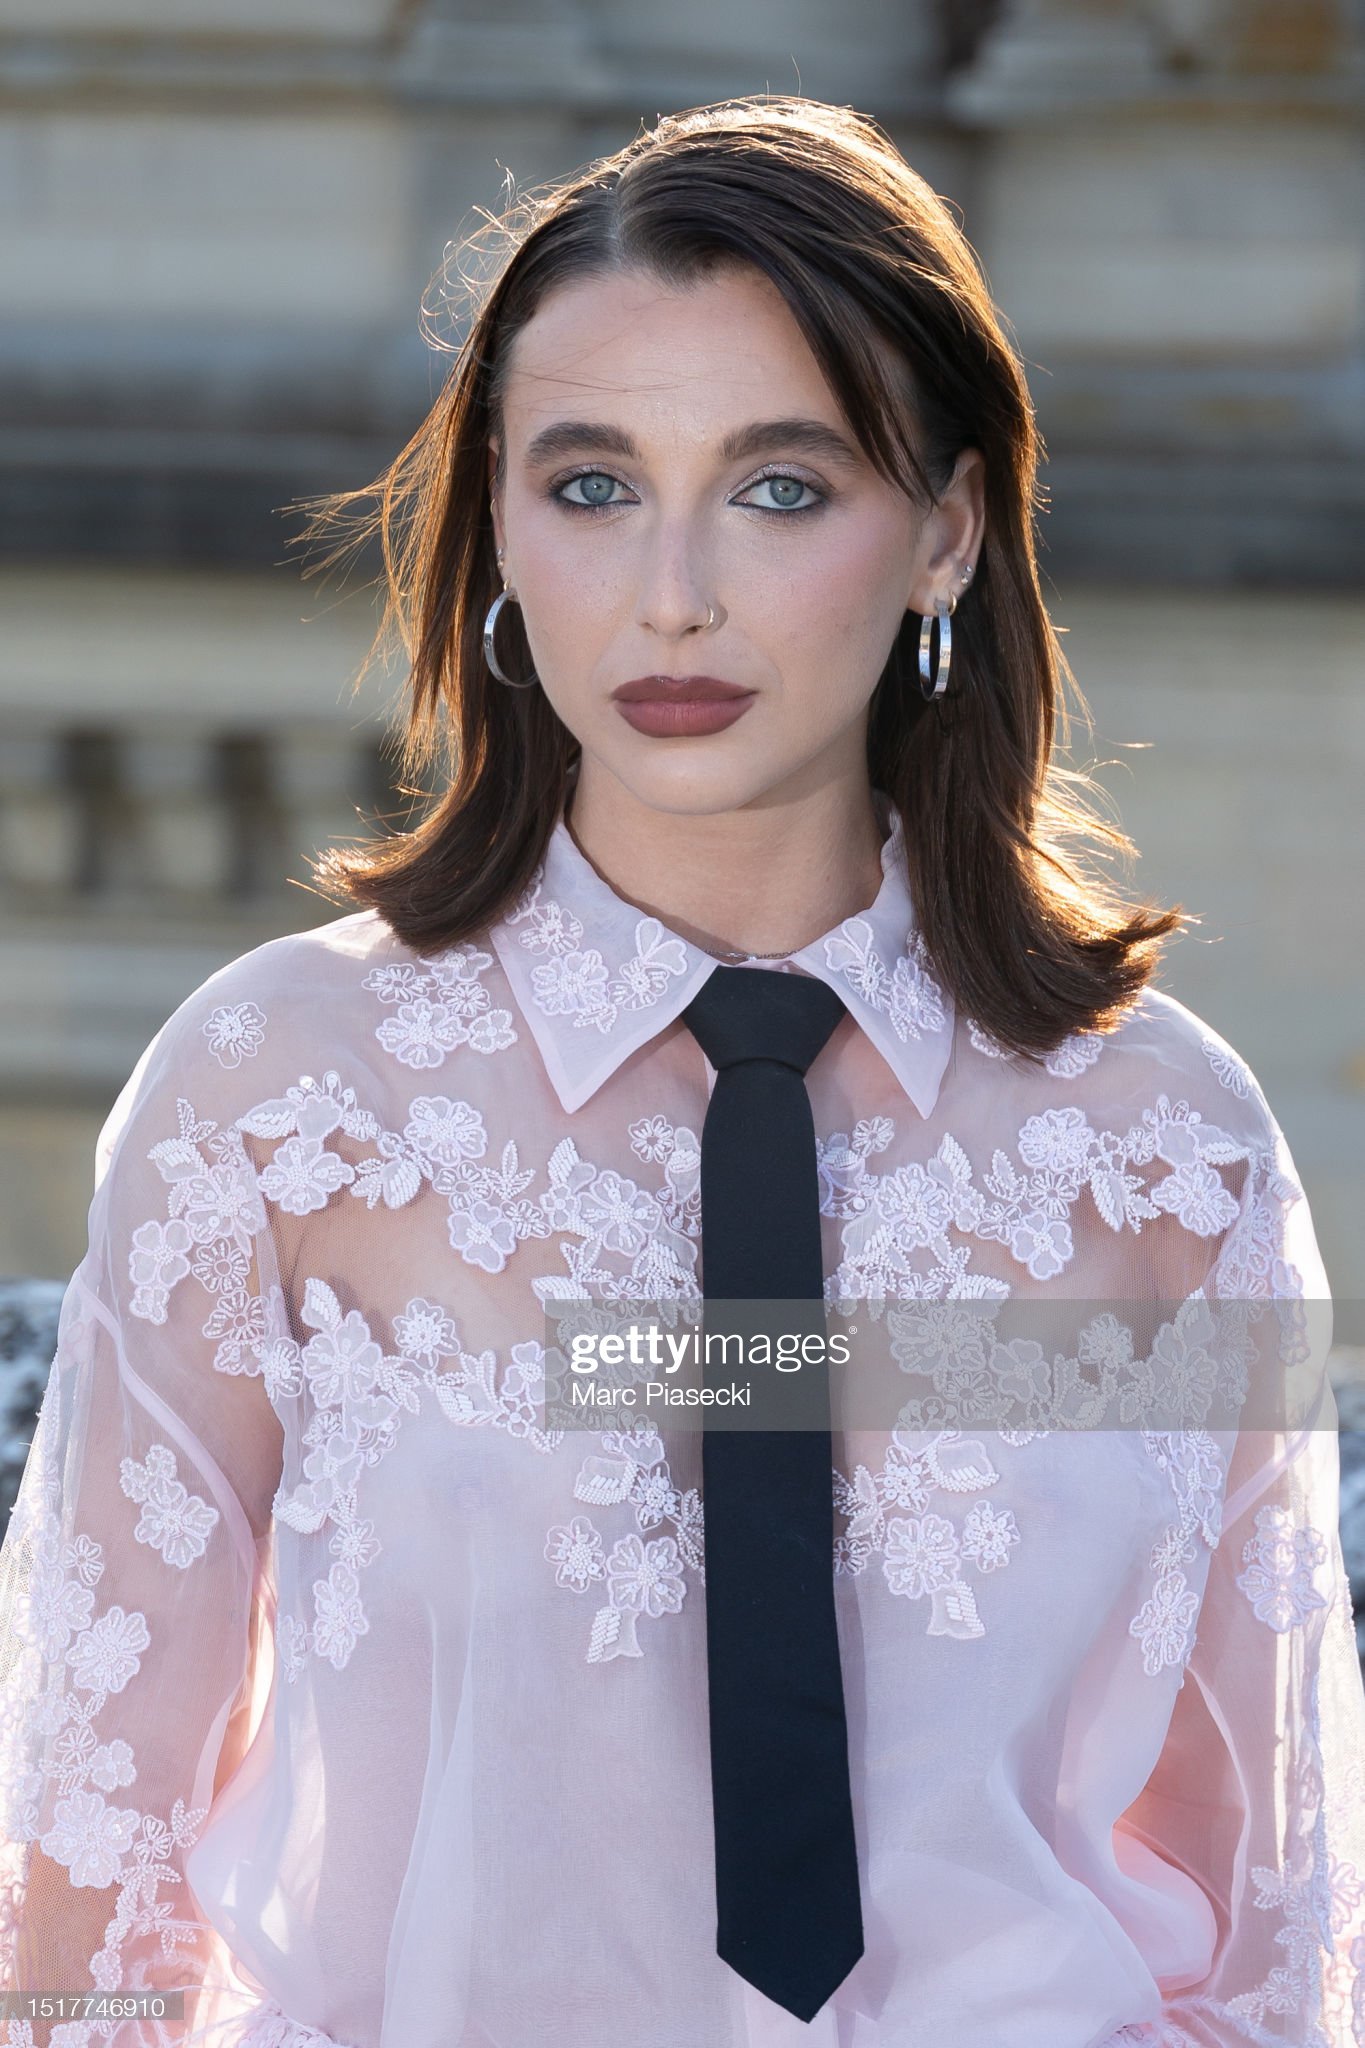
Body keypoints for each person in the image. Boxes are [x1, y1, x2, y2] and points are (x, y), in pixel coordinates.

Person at [1, 93, 1361, 2048]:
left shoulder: (1164, 1154)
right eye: (588, 483)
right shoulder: (276, 1104)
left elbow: (1274, 1918)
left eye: (779, 487)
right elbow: (75, 1887)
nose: (671, 593)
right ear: (491, 522)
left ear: (947, 530)